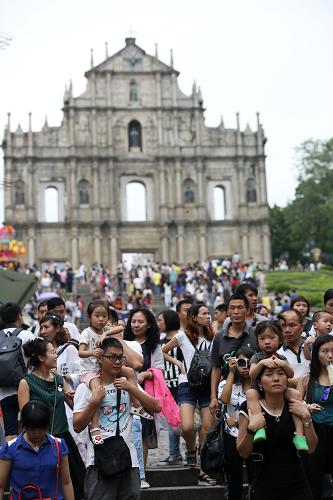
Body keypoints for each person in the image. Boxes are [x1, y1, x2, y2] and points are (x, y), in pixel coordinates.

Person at [73, 337, 161, 500]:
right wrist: (93, 403)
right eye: (112, 357)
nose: (117, 362)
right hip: (99, 462)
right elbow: (77, 425)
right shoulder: (86, 388)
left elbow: (156, 407)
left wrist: (131, 388)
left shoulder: (125, 383)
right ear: (100, 358)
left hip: (129, 461)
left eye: (120, 358)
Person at [17, 338, 85, 500]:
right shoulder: (26, 383)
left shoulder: (58, 380)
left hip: (62, 437)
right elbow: (26, 416)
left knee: (75, 482)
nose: (56, 356)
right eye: (53, 352)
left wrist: (76, 396)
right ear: (41, 358)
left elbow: (73, 404)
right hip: (38, 440)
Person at [237, 364, 317, 500]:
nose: (276, 378)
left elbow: (311, 448)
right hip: (264, 486)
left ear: (287, 380)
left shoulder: (296, 406)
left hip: (298, 486)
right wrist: (251, 430)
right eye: (269, 375)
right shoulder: (250, 407)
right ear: (259, 382)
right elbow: (243, 452)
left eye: (280, 374)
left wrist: (306, 417)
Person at [162, 304, 215, 483]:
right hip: (187, 384)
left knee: (207, 429)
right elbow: (163, 351)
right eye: (204, 314)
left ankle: (203, 465)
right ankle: (191, 449)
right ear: (194, 317)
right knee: (186, 426)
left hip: (207, 385)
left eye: (209, 313)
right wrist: (178, 363)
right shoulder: (182, 336)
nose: (208, 316)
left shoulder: (213, 336)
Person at [246, 320, 307, 450]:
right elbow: (252, 374)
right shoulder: (256, 357)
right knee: (251, 393)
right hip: (260, 390)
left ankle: (300, 435)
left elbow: (290, 374)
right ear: (257, 341)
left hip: (279, 391)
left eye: (271, 338)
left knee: (295, 394)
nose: (267, 341)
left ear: (280, 340)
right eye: (262, 338)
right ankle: (260, 428)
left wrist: (283, 364)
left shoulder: (281, 357)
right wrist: (263, 363)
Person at [79, 300, 132, 445]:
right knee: (98, 391)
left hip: (103, 369)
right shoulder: (86, 333)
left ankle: (138, 405)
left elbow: (120, 327)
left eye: (104, 315)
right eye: (97, 315)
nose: (101, 319)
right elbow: (80, 352)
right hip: (89, 371)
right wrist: (92, 352)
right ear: (89, 317)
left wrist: (106, 334)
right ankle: (95, 427)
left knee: (130, 372)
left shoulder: (105, 330)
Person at [0, 400, 74, 500]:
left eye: (41, 429)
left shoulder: (59, 445)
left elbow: (66, 482)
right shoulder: (9, 448)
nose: (37, 434)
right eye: (32, 429)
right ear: (23, 425)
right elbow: (1, 485)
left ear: (47, 426)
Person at [123, 309, 164, 469]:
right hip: (124, 392)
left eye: (140, 321)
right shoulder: (124, 342)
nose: (136, 324)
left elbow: (160, 369)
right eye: (133, 321)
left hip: (144, 394)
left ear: (148, 325)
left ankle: (141, 470)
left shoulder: (154, 345)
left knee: (143, 434)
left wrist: (146, 374)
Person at [210, 294, 257, 418]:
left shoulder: (255, 334)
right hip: (227, 392)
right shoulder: (219, 336)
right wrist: (213, 397)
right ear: (227, 312)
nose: (236, 312)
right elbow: (216, 367)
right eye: (232, 308)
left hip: (252, 391)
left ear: (247, 310)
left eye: (240, 307)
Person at [298, 335, 333, 500]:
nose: (330, 356)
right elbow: (296, 404)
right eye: (325, 351)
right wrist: (306, 407)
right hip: (315, 432)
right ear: (316, 354)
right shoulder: (307, 379)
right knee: (314, 481)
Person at [220, 346, 254, 500]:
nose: (245, 366)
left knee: (256, 476)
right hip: (232, 435)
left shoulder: (259, 384)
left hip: (254, 434)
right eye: (241, 362)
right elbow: (224, 400)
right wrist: (232, 372)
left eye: (249, 362)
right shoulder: (227, 383)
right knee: (234, 477)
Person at [0, 302, 35, 441]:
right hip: (26, 387)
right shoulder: (27, 335)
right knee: (29, 427)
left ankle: (10, 461)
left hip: (4, 391)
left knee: (10, 432)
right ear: (19, 317)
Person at [157, 309, 183, 465]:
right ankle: (174, 452)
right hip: (166, 386)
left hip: (180, 384)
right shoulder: (159, 341)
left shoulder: (181, 338)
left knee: (180, 420)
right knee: (172, 420)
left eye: (161, 320)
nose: (158, 323)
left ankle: (179, 453)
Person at [277, 309, 310, 382]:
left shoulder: (314, 348)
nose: (287, 330)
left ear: (302, 327)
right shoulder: (277, 355)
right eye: (283, 326)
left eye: (292, 325)